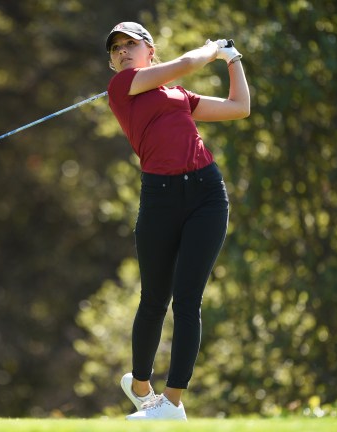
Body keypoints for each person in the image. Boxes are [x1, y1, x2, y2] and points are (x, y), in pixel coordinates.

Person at [104, 22, 249, 420]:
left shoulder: (177, 94)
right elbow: (186, 62)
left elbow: (239, 107)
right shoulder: (123, 87)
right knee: (153, 300)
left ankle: (172, 404)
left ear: (150, 49)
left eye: (129, 45)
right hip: (160, 198)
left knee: (188, 301)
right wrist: (212, 48)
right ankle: (140, 387)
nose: (121, 52)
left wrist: (233, 59)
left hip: (206, 194)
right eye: (115, 49)